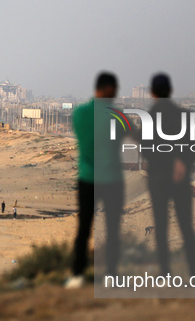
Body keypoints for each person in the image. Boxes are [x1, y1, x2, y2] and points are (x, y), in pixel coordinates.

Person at [67, 72, 125, 289]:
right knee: (112, 229)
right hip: (111, 179)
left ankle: (77, 274)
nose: (116, 93)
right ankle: (111, 274)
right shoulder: (116, 115)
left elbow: (86, 143)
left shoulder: (80, 113)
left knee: (83, 228)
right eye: (114, 89)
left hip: (87, 177)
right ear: (107, 88)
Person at [144, 73, 195, 277]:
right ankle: (194, 273)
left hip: (158, 179)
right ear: (171, 91)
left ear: (151, 93)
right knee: (186, 226)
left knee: (161, 227)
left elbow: (147, 149)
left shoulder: (151, 117)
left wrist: (167, 161)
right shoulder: (184, 115)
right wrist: (183, 162)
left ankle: (165, 273)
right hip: (181, 179)